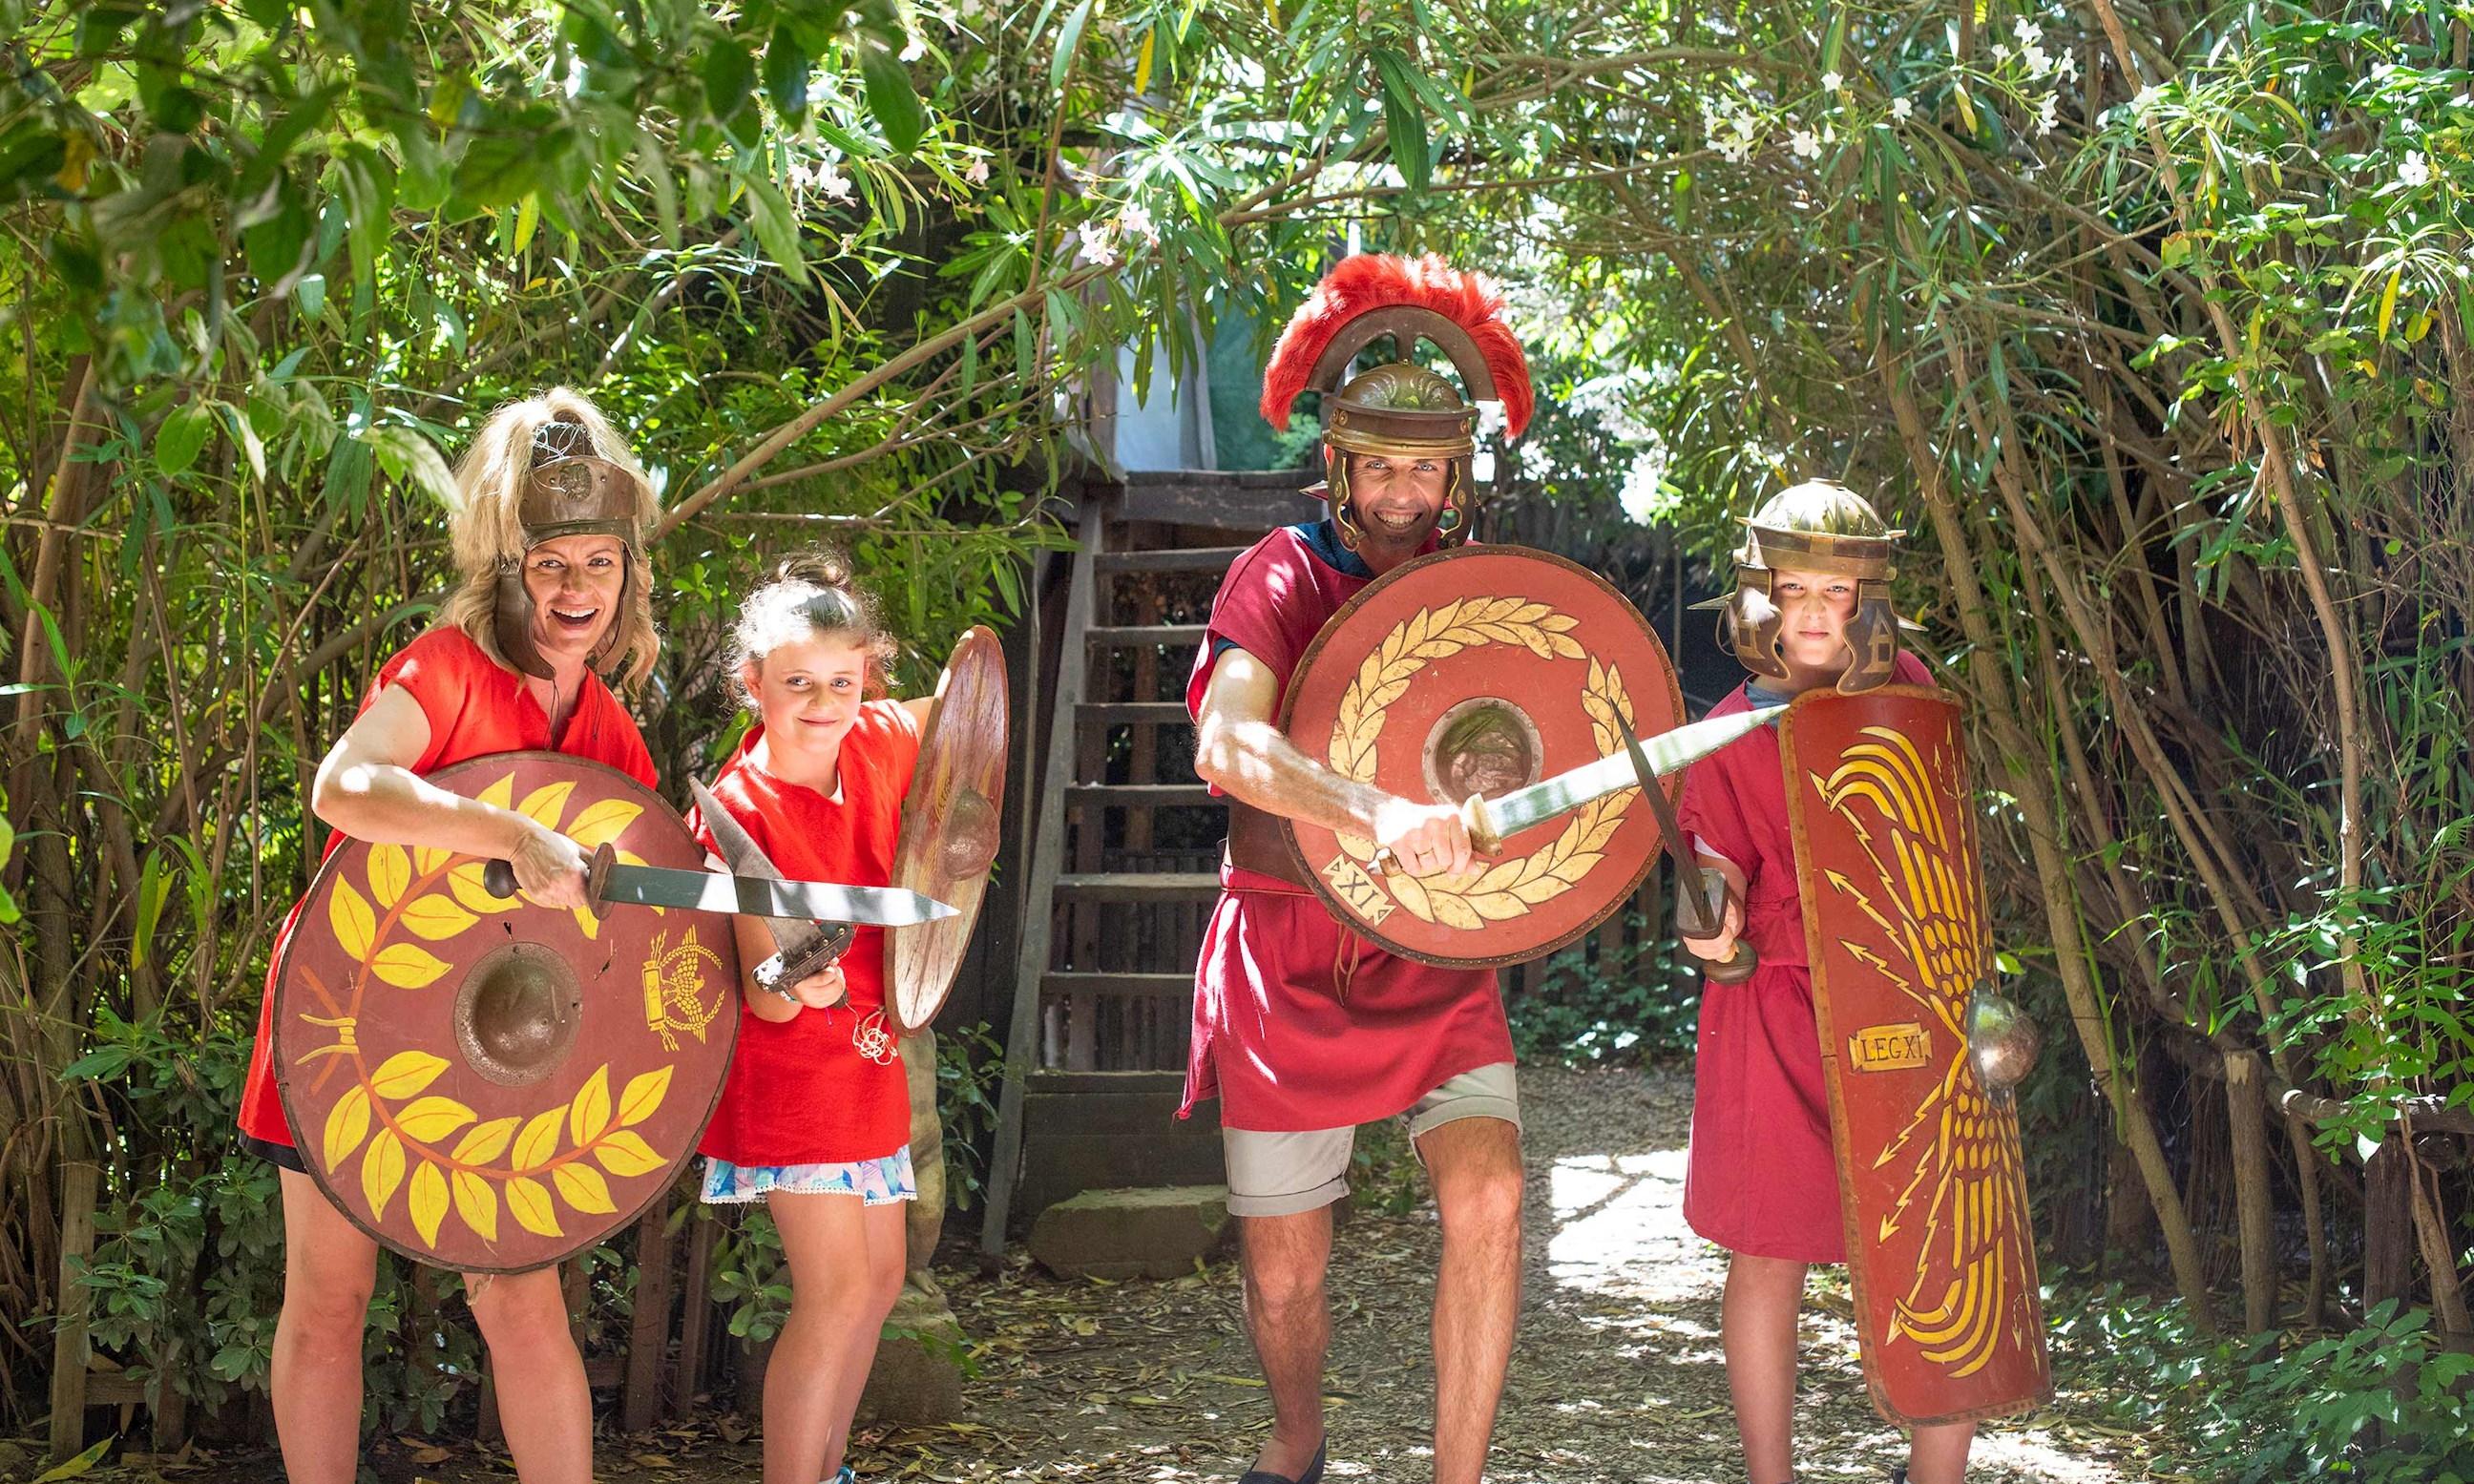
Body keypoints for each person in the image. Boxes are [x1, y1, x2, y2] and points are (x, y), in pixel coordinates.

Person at [234, 389, 663, 1484]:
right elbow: (344, 786)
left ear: (627, 572)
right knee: (330, 1298)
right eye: (550, 564)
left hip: (494, 1035)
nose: (576, 591)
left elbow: (633, 915)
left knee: (522, 1298)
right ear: (509, 563)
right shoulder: (447, 668)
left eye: (598, 564)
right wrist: (505, 831)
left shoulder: (609, 730)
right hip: (349, 1015)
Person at [1185, 253, 1535, 1484]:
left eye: (1423, 469)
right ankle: (1299, 1441)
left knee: (1491, 1195)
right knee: (1285, 1274)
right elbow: (1227, 743)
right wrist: (1373, 811)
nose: (1401, 492)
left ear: (1455, 474)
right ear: (1336, 464)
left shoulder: (1478, 588)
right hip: (1286, 943)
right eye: (1378, 466)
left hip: (1434, 941)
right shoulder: (1278, 574)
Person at [1673, 479, 1963, 1484]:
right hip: (1773, 1005)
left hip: (1906, 997)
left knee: (1938, 1229)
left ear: (1866, 601)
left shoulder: (1911, 693)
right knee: (1768, 1248)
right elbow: (1716, 862)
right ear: (1759, 596)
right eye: (1792, 588)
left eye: (1833, 591)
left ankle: (1937, 1474)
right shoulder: (1726, 726)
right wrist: (1709, 915)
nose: (1810, 611)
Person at [688, 552, 932, 1484]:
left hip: (868, 1058)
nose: (824, 702)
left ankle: (829, 1474)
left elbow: (960, 713)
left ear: (867, 674)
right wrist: (799, 983)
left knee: (879, 1281)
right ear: (752, 683)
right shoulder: (738, 809)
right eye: (798, 683)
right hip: (793, 1078)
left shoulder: (871, 738)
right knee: (833, 1293)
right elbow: (761, 986)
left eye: (843, 680)